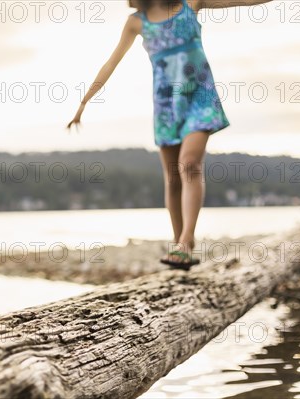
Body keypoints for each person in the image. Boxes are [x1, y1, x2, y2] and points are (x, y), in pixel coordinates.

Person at [67, 0, 272, 270]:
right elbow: (111, 62)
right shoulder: (137, 22)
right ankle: (180, 246)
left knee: (189, 164)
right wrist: (84, 102)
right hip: (166, 105)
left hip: (200, 98)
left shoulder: (191, 3)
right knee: (173, 179)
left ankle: (186, 241)